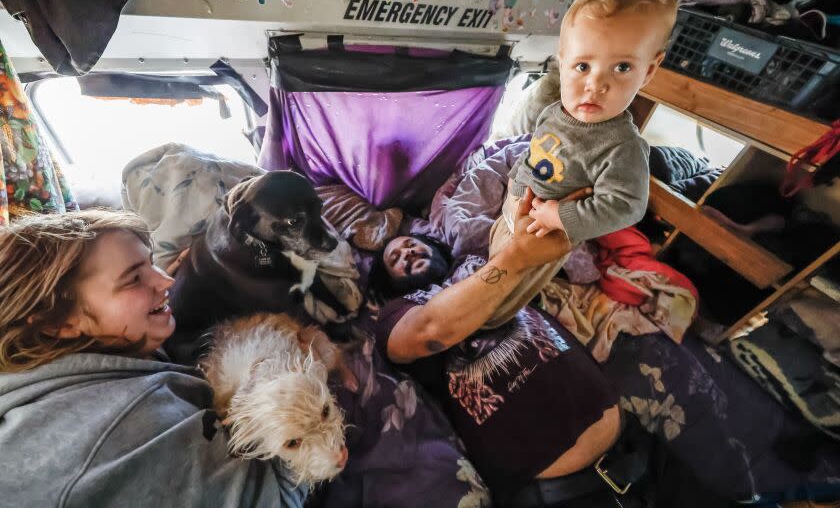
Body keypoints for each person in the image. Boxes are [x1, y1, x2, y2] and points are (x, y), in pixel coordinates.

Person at [0, 210, 304, 507]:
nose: (165, 281)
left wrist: (141, 292)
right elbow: (277, 495)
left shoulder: (43, 352)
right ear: (60, 323)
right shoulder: (136, 432)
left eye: (151, 262)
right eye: (133, 278)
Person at [373, 188, 625, 505]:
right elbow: (429, 331)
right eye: (394, 259)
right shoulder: (394, 316)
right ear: (388, 284)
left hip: (629, 446)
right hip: (554, 493)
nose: (406, 253)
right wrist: (515, 256)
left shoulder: (475, 262)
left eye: (411, 245)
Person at [486, 0, 678, 327]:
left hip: (549, 237)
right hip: (515, 212)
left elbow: (626, 206)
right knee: (493, 264)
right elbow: (534, 156)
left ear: (649, 71)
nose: (596, 85)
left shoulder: (623, 146)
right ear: (562, 61)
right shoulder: (553, 112)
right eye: (582, 66)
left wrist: (559, 216)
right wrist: (513, 193)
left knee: (511, 292)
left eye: (622, 67)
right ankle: (484, 300)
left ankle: (495, 323)